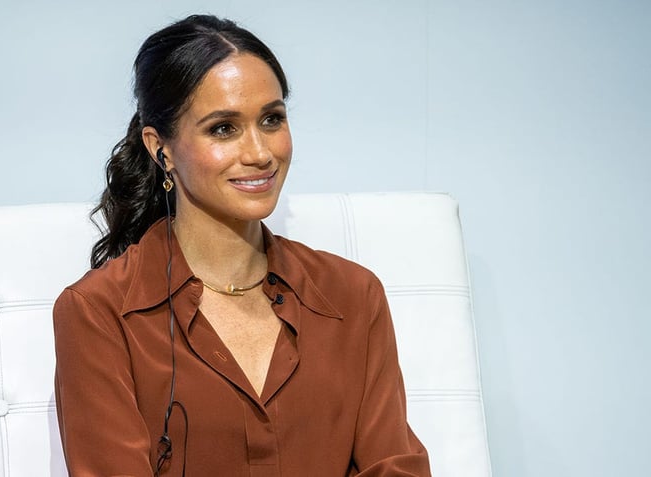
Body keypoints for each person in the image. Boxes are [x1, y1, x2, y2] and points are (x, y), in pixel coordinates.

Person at [53, 14, 431, 477]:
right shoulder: (97, 312)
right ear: (160, 148)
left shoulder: (353, 296)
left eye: (272, 119)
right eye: (223, 128)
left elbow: (395, 466)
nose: (259, 152)